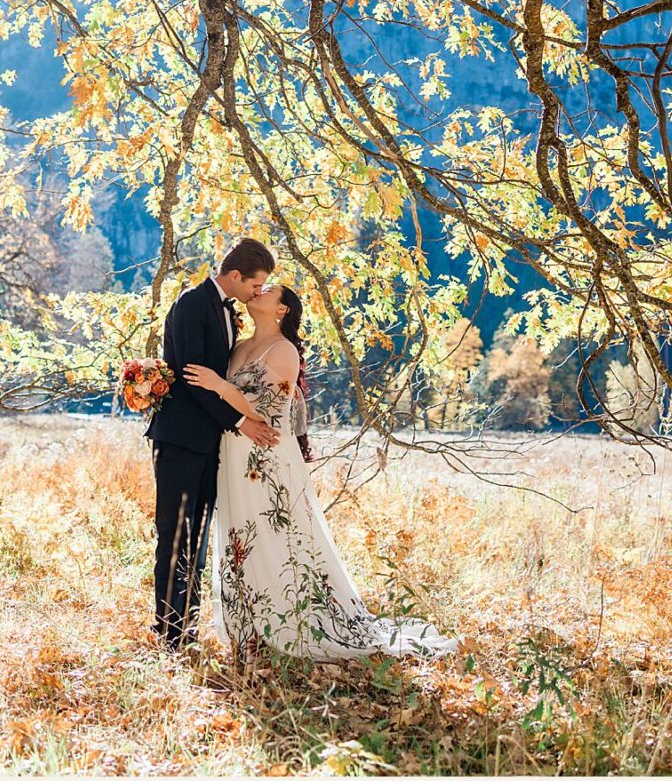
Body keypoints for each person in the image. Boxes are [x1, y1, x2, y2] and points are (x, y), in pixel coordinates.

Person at [185, 284, 459, 660]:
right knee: (240, 534)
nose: (258, 290)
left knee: (274, 531)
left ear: (281, 310)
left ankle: (293, 620)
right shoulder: (239, 346)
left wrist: (217, 384)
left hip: (265, 458)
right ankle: (251, 625)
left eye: (268, 290)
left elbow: (263, 411)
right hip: (233, 452)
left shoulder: (284, 351)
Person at [145, 238, 280, 651]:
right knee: (175, 536)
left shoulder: (228, 313)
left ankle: (184, 629)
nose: (259, 292)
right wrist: (239, 421)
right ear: (235, 276)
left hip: (208, 444)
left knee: (197, 540)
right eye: (257, 285)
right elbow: (193, 378)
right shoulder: (192, 304)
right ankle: (169, 633)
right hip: (182, 440)